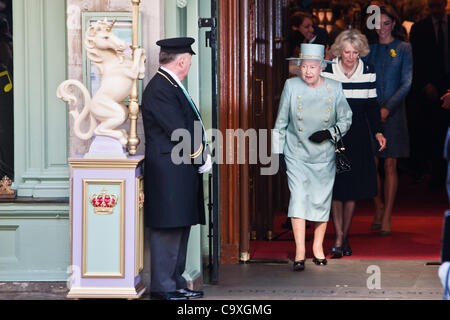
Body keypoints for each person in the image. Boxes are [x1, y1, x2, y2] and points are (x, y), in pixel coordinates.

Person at [141, 37, 211, 300]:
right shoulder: (161, 87)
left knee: (179, 224)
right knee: (169, 227)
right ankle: (164, 286)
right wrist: (200, 155)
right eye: (189, 60)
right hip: (169, 170)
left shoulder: (170, 84)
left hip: (178, 168)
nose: (190, 64)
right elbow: (178, 129)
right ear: (182, 60)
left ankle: (175, 281)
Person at [273, 43, 353, 271]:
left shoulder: (335, 88)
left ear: (321, 68)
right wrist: (277, 152)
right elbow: (281, 122)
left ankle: (317, 247)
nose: (307, 71)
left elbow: (346, 118)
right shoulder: (291, 86)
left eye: (312, 67)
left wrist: (329, 133)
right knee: (298, 199)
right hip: (295, 153)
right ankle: (299, 251)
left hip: (323, 154)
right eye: (304, 66)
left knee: (320, 201)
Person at [322, 29, 387, 258]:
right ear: (340, 50)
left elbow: (371, 105)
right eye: (347, 52)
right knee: (336, 187)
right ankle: (339, 237)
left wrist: (378, 132)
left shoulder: (368, 70)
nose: (351, 57)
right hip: (335, 135)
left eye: (355, 52)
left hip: (358, 134)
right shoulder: (328, 70)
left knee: (352, 189)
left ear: (361, 52)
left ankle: (343, 236)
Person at [366, 5, 413, 236]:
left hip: (393, 113)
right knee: (370, 163)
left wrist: (387, 109)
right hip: (370, 112)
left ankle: (386, 215)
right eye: (377, 23)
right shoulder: (368, 49)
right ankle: (378, 205)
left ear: (394, 24)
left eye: (386, 23)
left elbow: (407, 83)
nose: (382, 28)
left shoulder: (404, 48)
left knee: (390, 164)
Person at [410, 0, 450, 189]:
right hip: (429, 87)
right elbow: (416, 61)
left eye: (439, 5)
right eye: (432, 5)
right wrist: (425, 84)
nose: (436, 9)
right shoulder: (420, 29)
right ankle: (435, 175)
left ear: (444, 5)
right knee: (432, 133)